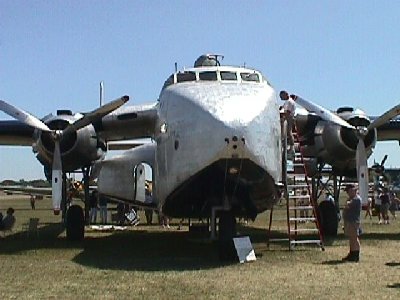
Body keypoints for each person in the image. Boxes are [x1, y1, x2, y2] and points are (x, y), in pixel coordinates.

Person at [342, 184, 362, 262]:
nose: (348, 193)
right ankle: (352, 253)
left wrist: (347, 204)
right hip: (349, 221)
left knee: (354, 238)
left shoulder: (356, 199)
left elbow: (347, 205)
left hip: (353, 221)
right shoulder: (352, 199)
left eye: (349, 191)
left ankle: (355, 255)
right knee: (352, 238)